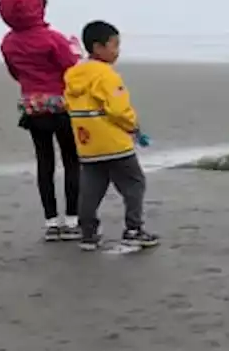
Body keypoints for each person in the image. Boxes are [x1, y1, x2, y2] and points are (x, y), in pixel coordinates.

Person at [0, 0, 84, 241]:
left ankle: (50, 222)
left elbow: (15, 73)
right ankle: (72, 220)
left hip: (33, 106)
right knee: (71, 160)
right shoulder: (52, 38)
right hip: (61, 105)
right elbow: (70, 68)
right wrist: (75, 51)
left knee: (44, 162)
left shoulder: (8, 42)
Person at [64, 20, 159, 251]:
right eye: (114, 45)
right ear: (98, 47)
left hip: (87, 143)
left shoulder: (73, 75)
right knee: (134, 183)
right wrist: (133, 127)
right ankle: (133, 230)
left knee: (91, 187)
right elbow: (118, 109)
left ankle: (88, 233)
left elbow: (68, 104)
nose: (117, 51)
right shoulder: (107, 76)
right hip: (114, 142)